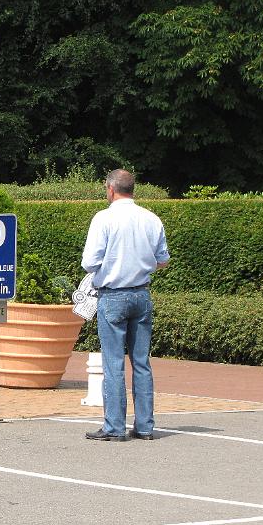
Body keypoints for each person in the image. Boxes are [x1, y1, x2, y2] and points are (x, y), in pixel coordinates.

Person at [81, 169, 169, 442]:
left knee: (113, 363)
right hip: (141, 294)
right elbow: (163, 259)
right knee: (141, 362)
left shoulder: (104, 218)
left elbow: (89, 262)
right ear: (133, 189)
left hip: (113, 294)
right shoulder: (151, 218)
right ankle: (144, 427)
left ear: (110, 189)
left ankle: (114, 427)